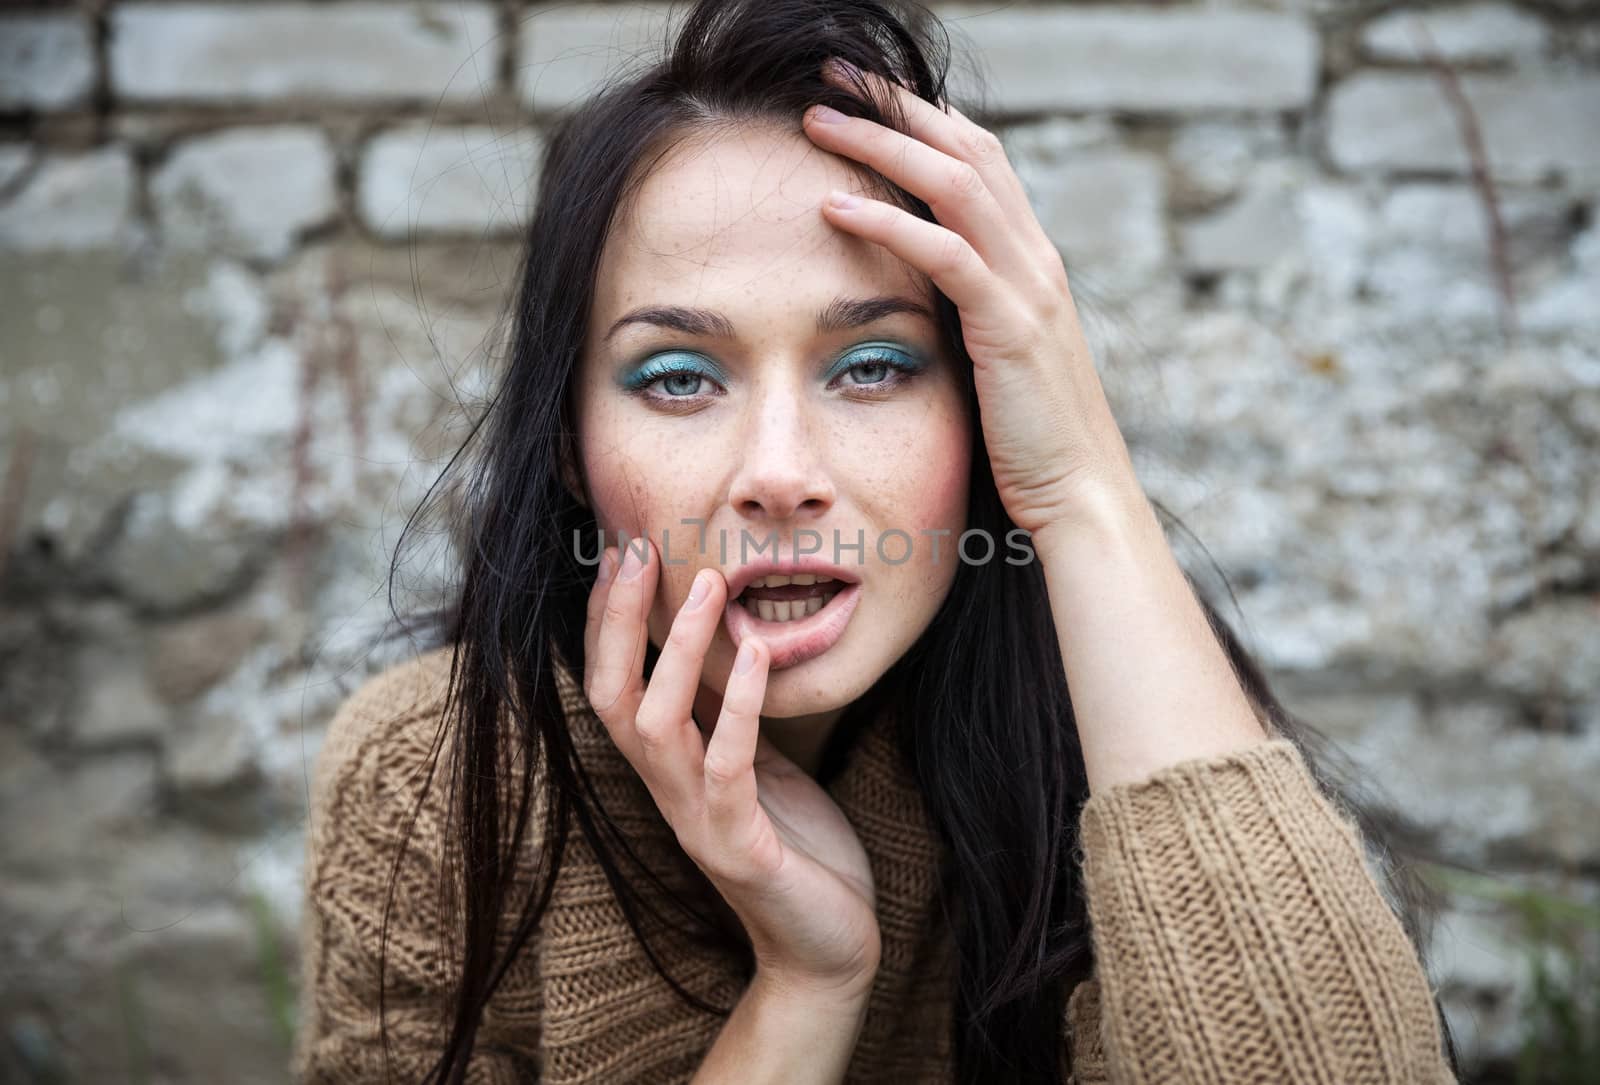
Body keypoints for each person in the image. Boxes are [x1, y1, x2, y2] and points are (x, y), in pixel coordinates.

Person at [293, 1, 1462, 1081]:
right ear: (566, 446)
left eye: (874, 364)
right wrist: (807, 984)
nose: (781, 475)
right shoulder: (434, 781)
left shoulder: (1102, 728)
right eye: (678, 376)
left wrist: (1081, 489)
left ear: (982, 406)